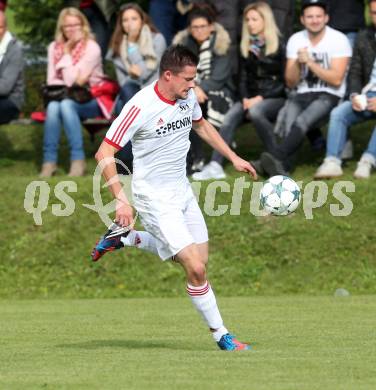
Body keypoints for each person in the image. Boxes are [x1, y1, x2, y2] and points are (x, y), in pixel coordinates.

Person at [91, 45, 257, 351]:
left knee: (200, 263)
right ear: (168, 75)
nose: (193, 85)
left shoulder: (186, 95)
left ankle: (128, 239)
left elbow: (202, 125)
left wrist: (233, 157)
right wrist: (121, 199)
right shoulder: (140, 106)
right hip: (153, 197)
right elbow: (105, 151)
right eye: (188, 79)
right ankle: (222, 336)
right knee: (195, 268)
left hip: (182, 189)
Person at [193, 1, 286, 180]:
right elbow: (242, 79)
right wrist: (244, 98)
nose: (250, 23)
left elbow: (285, 83)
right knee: (229, 118)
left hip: (275, 97)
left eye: (254, 19)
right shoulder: (247, 46)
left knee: (257, 112)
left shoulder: (279, 45)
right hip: (248, 99)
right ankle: (216, 165)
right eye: (247, 19)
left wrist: (260, 97)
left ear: (265, 21)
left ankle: (278, 160)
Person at [258, 0, 352, 177]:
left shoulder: (339, 39)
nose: (314, 20)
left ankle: (272, 159)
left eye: (318, 16)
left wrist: (310, 62)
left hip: (329, 94)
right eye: (310, 16)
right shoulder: (296, 39)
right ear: (302, 19)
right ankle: (282, 169)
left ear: (326, 18)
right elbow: (291, 82)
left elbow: (337, 79)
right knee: (290, 123)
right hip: (301, 93)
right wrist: (298, 65)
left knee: (302, 121)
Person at [40, 7, 105, 177]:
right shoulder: (54, 47)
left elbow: (73, 82)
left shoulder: (92, 47)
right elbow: (51, 80)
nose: (72, 29)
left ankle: (78, 160)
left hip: (90, 99)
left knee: (66, 105)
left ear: (83, 25)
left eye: (76, 25)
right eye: (67, 26)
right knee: (54, 106)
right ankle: (49, 162)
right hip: (64, 98)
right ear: (61, 28)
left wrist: (67, 53)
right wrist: (69, 67)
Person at [314, 0, 376, 180]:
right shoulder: (364, 35)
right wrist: (355, 94)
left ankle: (368, 160)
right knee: (338, 113)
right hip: (367, 94)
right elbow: (355, 71)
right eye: (373, 13)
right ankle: (332, 161)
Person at [173, 5, 234, 173]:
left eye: (203, 26)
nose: (199, 30)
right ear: (190, 29)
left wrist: (197, 88)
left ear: (211, 27)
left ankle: (199, 158)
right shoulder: (184, 46)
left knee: (194, 105)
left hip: (220, 91)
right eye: (195, 27)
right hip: (193, 91)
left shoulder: (221, 44)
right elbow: (179, 74)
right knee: (185, 104)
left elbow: (219, 78)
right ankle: (193, 158)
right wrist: (194, 89)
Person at [107, 3, 166, 112]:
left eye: (134, 19)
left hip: (155, 91)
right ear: (121, 24)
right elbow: (123, 83)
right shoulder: (116, 47)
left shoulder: (157, 39)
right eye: (125, 20)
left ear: (142, 21)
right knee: (125, 96)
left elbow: (144, 73)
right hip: (131, 93)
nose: (130, 24)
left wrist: (132, 46)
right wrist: (133, 76)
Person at [0, 11, 24, 124]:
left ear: (6, 28)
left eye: (0, 27)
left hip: (10, 101)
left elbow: (4, 88)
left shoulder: (14, 49)